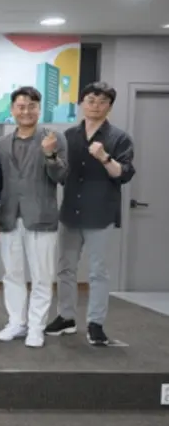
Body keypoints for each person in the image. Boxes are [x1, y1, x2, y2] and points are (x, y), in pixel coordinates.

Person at [46, 82, 135, 346]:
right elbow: (60, 174)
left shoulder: (119, 137)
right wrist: (50, 155)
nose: (95, 106)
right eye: (91, 100)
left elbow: (124, 174)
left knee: (98, 272)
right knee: (65, 268)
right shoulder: (68, 136)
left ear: (109, 107)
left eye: (102, 101)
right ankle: (66, 317)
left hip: (100, 213)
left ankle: (96, 324)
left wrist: (105, 157)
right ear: (81, 104)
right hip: (70, 212)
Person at [0, 86, 68, 348]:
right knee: (12, 274)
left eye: (32, 106)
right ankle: (16, 322)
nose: (26, 111)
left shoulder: (54, 138)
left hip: (41, 217)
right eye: (21, 106)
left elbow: (62, 176)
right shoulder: (1, 144)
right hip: (9, 217)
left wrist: (50, 154)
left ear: (39, 109)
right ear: (12, 110)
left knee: (42, 276)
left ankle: (36, 327)